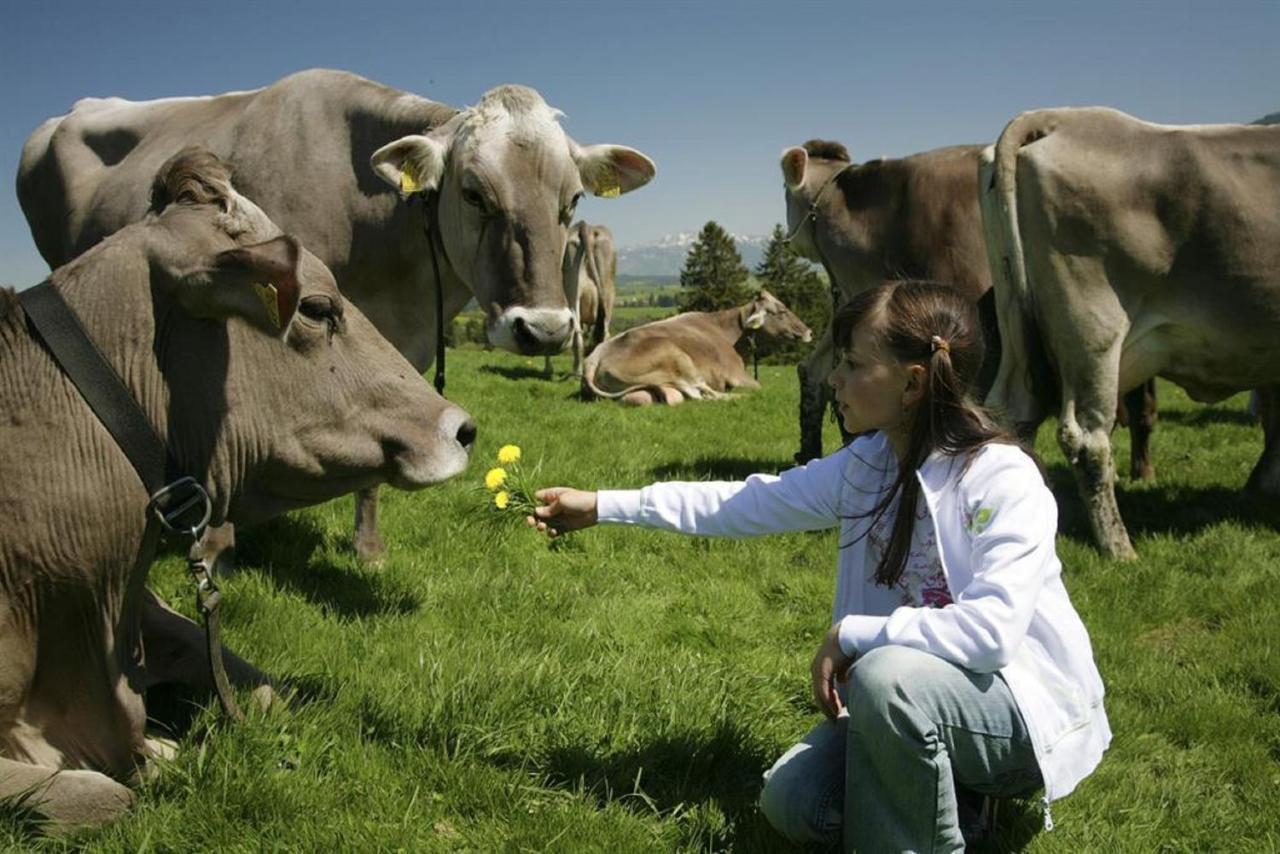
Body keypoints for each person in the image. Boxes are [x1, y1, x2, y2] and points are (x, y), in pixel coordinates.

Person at [528, 280, 1110, 852]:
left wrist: (853, 634)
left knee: (884, 677)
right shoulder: (869, 464)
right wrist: (603, 506)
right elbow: (741, 502)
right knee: (793, 801)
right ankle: (952, 807)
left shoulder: (1000, 478)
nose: (835, 379)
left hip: (1015, 716)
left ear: (912, 383)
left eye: (854, 364)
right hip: (906, 705)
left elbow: (990, 636)